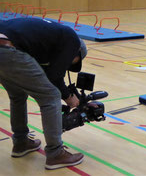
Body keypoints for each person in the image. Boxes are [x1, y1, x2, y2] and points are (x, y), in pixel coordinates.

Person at [0, 17, 87, 170]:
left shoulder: (49, 36)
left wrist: (66, 92)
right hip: (9, 49)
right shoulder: (72, 41)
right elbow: (54, 76)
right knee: (51, 97)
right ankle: (55, 153)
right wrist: (68, 98)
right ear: (77, 53)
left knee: (17, 95)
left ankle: (21, 143)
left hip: (6, 45)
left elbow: (48, 73)